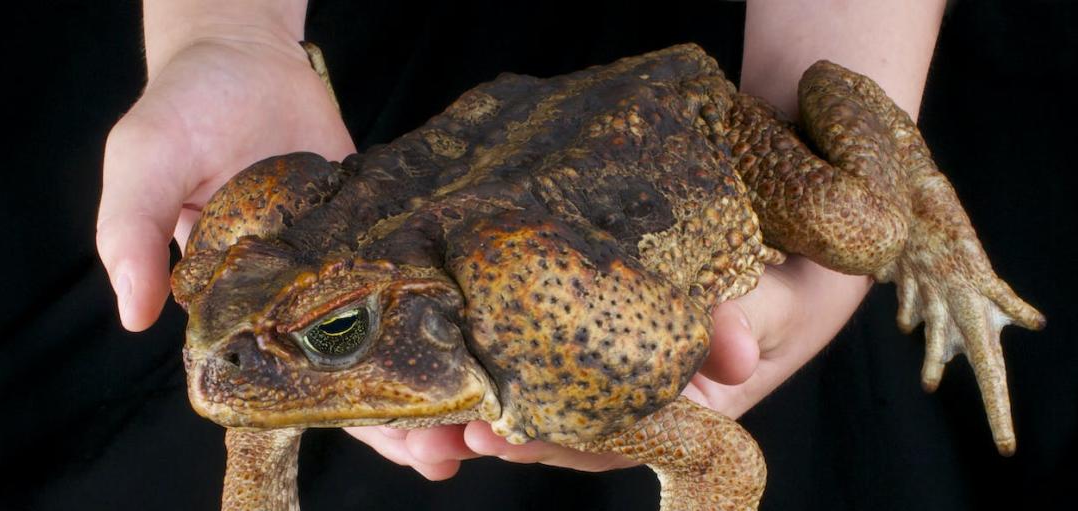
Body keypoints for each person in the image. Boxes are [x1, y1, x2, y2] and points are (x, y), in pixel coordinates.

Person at [98, 0, 945, 477]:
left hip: (697, 136)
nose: (214, 362)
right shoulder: (296, 307)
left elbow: (720, 466)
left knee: (871, 231)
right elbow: (259, 383)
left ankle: (939, 217)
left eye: (339, 331)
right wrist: (223, 29)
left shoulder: (530, 337)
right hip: (431, 126)